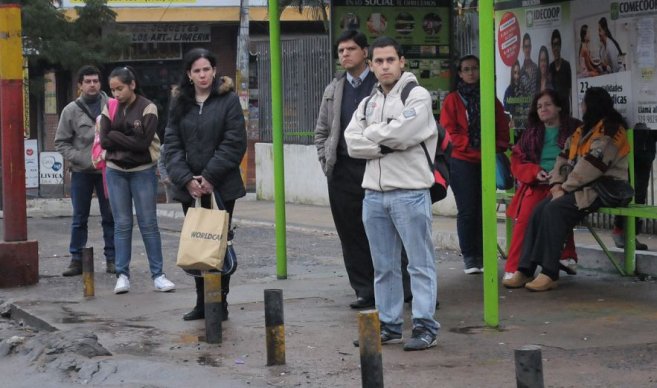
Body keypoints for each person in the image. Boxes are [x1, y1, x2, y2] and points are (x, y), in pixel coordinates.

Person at [345, 36, 439, 351]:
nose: (385, 66)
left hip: (410, 192)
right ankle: (389, 325)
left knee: (419, 263)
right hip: (373, 194)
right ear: (370, 65)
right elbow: (350, 141)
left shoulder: (418, 96)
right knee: (383, 266)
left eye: (390, 60)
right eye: (379, 61)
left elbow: (405, 133)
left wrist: (375, 139)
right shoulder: (367, 102)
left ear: (402, 61)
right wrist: (386, 140)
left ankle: (425, 326)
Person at [504, 87, 631, 292]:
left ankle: (549, 272)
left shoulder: (611, 129)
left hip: (605, 188)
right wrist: (556, 184)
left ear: (593, 105)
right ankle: (525, 269)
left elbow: (592, 165)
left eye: (584, 104)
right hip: (578, 187)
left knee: (555, 210)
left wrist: (564, 187)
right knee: (538, 210)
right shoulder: (583, 130)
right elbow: (563, 158)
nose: (581, 108)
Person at [164, 48, 246, 321]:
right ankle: (202, 303)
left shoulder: (229, 101)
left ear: (214, 70)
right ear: (189, 74)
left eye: (207, 69)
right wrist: (186, 179)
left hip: (221, 187)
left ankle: (219, 303)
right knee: (198, 245)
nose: (203, 75)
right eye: (197, 70)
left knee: (218, 244)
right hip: (190, 189)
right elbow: (172, 144)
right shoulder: (179, 103)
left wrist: (209, 177)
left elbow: (234, 143)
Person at [99, 66, 176, 294]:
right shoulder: (109, 106)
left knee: (148, 223)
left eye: (120, 88)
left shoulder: (147, 107)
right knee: (122, 224)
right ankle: (122, 275)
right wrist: (125, 138)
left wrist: (116, 136)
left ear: (132, 85)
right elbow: (103, 140)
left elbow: (143, 144)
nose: (116, 94)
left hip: (143, 170)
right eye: (112, 90)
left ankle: (158, 275)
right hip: (115, 170)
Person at [440, 55, 510, 273]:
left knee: (485, 209)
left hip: (487, 159)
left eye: (475, 68)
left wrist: (496, 145)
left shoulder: (490, 98)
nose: (471, 73)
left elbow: (501, 126)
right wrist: (471, 145)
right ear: (460, 73)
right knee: (468, 209)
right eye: (466, 69)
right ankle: (471, 256)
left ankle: (484, 253)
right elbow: (449, 131)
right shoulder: (453, 99)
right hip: (461, 161)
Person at [502, 90, 581, 282]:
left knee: (557, 209)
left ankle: (564, 256)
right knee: (525, 218)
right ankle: (515, 267)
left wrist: (562, 178)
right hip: (537, 184)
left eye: (547, 105)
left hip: (567, 184)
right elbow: (517, 161)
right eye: (539, 106)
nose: (543, 109)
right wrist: (534, 171)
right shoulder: (532, 132)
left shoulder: (576, 129)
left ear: (559, 107)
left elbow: (583, 160)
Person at [54, 65, 115, 276]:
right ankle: (77, 260)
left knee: (111, 216)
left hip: (108, 171)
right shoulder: (70, 110)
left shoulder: (112, 105)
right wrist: (83, 158)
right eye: (87, 81)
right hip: (81, 172)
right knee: (80, 217)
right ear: (80, 85)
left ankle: (113, 259)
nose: (92, 85)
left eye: (95, 81)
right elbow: (61, 142)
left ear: (101, 83)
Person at [611, 125, 657, 250]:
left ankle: (629, 233)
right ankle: (621, 230)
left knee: (639, 195)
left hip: (646, 149)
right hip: (631, 145)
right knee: (630, 192)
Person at [548, 29, 572, 112]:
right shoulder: (550, 67)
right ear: (551, 47)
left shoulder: (566, 65)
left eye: (558, 44)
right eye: (554, 45)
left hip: (566, 107)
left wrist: (572, 108)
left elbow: (570, 89)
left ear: (560, 46)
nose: (556, 48)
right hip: (555, 108)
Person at [519, 33, 539, 99]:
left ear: (531, 47)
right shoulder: (520, 72)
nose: (527, 50)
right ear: (523, 49)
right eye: (525, 47)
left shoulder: (536, 68)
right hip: (525, 108)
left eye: (529, 46)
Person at [503, 60, 522, 128]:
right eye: (515, 73)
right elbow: (506, 114)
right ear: (512, 73)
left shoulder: (524, 89)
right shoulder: (508, 92)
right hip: (513, 130)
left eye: (518, 73)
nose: (517, 76)